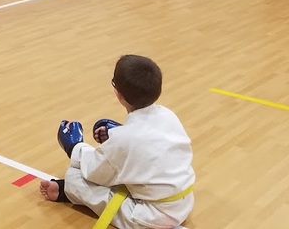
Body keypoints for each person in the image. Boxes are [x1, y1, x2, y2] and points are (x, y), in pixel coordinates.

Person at [40, 55, 195, 229]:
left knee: (75, 175)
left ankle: (68, 191)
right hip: (184, 203)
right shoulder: (168, 115)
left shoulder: (124, 139)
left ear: (117, 92)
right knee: (124, 169)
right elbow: (147, 142)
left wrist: (74, 146)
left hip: (151, 216)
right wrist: (117, 132)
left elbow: (94, 172)